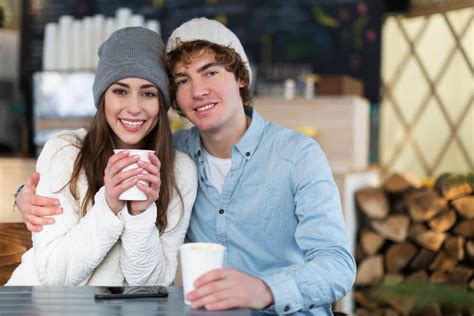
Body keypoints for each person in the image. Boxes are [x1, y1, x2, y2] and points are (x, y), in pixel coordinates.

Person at [15, 18, 355, 314]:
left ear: (240, 77)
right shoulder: (176, 157)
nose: (198, 91)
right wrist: (26, 196)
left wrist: (265, 289)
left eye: (210, 72)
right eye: (182, 80)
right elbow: (75, 174)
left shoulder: (297, 156)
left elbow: (337, 267)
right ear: (174, 98)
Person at [7, 27, 197, 286]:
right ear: (102, 98)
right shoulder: (64, 151)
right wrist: (108, 206)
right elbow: (54, 277)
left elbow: (151, 284)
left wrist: (140, 213)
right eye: (120, 91)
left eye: (148, 93)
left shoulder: (180, 172)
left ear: (161, 102)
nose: (134, 107)